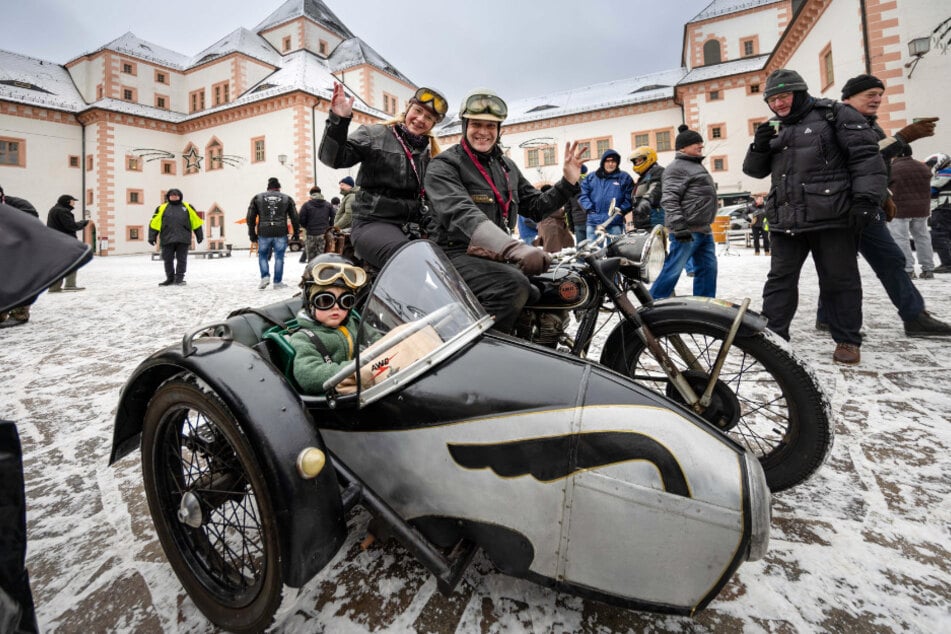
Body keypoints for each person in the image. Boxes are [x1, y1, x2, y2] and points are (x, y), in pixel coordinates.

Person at [742, 69, 887, 365]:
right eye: (772, 99)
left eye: (784, 96)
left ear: (800, 92)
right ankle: (773, 336)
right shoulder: (775, 126)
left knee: (839, 279)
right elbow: (755, 171)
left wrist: (866, 200)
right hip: (785, 217)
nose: (779, 104)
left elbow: (866, 159)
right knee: (780, 280)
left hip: (831, 214)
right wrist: (758, 145)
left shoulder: (836, 114)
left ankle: (847, 338)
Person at [424, 88, 584, 333]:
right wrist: (515, 248)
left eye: (491, 126)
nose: (483, 132)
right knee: (513, 286)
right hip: (454, 254)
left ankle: (539, 341)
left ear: (499, 130)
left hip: (495, 254)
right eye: (476, 124)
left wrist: (567, 183)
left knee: (554, 284)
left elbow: (536, 207)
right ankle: (490, 356)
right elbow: (463, 213)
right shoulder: (444, 165)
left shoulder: (506, 166)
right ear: (465, 126)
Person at [815, 73, 951, 338]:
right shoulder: (834, 123)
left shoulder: (871, 125)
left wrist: (884, 193)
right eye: (870, 94)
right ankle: (831, 316)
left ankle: (914, 316)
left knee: (887, 260)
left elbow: (874, 167)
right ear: (848, 98)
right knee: (842, 265)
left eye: (880, 94)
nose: (877, 99)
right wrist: (901, 139)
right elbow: (856, 156)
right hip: (843, 205)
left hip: (868, 205)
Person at [319, 82, 448, 269]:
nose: (421, 119)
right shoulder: (374, 134)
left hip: (414, 227)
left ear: (433, 124)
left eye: (428, 117)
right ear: (408, 108)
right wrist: (338, 121)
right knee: (408, 260)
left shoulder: (431, 154)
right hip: (373, 222)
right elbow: (333, 159)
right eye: (418, 111)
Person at [649, 125, 718, 299]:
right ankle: (652, 302)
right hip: (686, 230)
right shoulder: (677, 168)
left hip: (703, 229)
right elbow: (669, 198)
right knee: (673, 269)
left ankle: (704, 303)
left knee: (708, 270)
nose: (701, 145)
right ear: (682, 147)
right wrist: (679, 226)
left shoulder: (695, 165)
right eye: (696, 143)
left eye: (701, 142)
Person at [288, 254, 368, 395]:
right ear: (310, 303)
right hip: (338, 399)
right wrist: (357, 367)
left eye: (346, 301)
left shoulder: (353, 323)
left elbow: (379, 339)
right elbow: (308, 375)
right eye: (326, 300)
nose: (336, 307)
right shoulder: (303, 338)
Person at [889, 147, 935, 278]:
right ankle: (928, 269)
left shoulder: (893, 168)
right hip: (921, 209)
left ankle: (908, 269)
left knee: (901, 239)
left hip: (900, 209)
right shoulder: (922, 167)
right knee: (923, 238)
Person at [247, 177, 300, 289]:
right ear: (279, 188)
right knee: (279, 257)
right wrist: (296, 232)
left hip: (264, 231)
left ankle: (265, 277)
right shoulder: (287, 198)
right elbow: (295, 217)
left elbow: (250, 217)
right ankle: (277, 282)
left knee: (262, 255)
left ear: (268, 188)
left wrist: (251, 233)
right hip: (280, 231)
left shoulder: (257, 198)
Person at [0, 187, 41, 326]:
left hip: (23, 248)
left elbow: (31, 218)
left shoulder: (19, 204)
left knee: (20, 281)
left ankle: (20, 314)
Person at [148, 189, 203, 286]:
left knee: (181, 259)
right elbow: (154, 223)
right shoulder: (161, 208)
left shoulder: (187, 207)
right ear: (168, 197)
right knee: (167, 259)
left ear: (180, 196)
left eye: (176, 195)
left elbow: (196, 221)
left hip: (183, 239)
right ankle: (170, 278)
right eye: (172, 195)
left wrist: (199, 235)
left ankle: (179, 278)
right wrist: (152, 236)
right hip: (167, 239)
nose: (174, 197)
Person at [579, 149, 633, 241]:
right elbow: (582, 195)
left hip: (614, 223)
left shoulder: (624, 178)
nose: (610, 164)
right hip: (594, 223)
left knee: (614, 252)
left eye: (613, 161)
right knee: (593, 252)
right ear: (603, 162)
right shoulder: (591, 177)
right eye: (608, 161)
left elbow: (630, 198)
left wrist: (621, 211)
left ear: (617, 163)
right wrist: (590, 210)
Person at [46, 194, 90, 292]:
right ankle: (70, 284)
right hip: (65, 241)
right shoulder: (63, 211)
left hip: (54, 240)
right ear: (67, 202)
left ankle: (54, 287)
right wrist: (82, 223)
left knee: (58, 264)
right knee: (73, 262)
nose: (74, 203)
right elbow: (71, 226)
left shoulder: (53, 210)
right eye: (72, 201)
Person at [628, 146, 665, 230]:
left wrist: (646, 201)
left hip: (654, 220)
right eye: (635, 161)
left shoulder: (657, 171)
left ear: (649, 158)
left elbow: (656, 188)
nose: (637, 163)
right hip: (643, 221)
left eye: (639, 160)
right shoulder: (643, 177)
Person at [533, 184, 575, 253]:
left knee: (548, 249)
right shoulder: (550, 201)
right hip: (552, 228)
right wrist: (563, 211)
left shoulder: (540, 201)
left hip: (545, 228)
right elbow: (557, 213)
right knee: (553, 250)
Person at [299, 185, 335, 262]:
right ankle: (320, 272)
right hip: (323, 233)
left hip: (310, 234)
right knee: (322, 257)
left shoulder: (306, 205)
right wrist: (329, 226)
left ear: (311, 194)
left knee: (311, 258)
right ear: (320, 193)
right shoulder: (328, 205)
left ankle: (311, 272)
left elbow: (301, 219)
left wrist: (306, 226)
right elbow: (333, 217)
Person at [931, 155, 951, 272]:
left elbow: (932, 188)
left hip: (944, 207)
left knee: (939, 235)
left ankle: (947, 263)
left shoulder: (946, 172)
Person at [566, 164, 588, 245]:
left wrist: (571, 226)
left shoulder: (569, 186)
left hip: (577, 221)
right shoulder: (590, 183)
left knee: (581, 248)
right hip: (591, 220)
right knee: (593, 248)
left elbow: (567, 209)